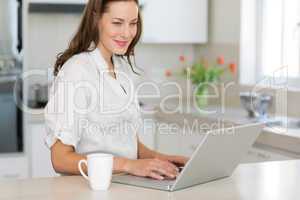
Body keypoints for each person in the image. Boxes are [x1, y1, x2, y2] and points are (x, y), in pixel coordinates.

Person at [44, 0, 188, 181]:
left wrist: (163, 159)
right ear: (96, 19)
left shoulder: (121, 67)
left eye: (133, 23)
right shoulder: (77, 70)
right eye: (117, 23)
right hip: (88, 189)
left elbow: (126, 143)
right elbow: (60, 159)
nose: (127, 33)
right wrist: (129, 165)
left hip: (123, 186)